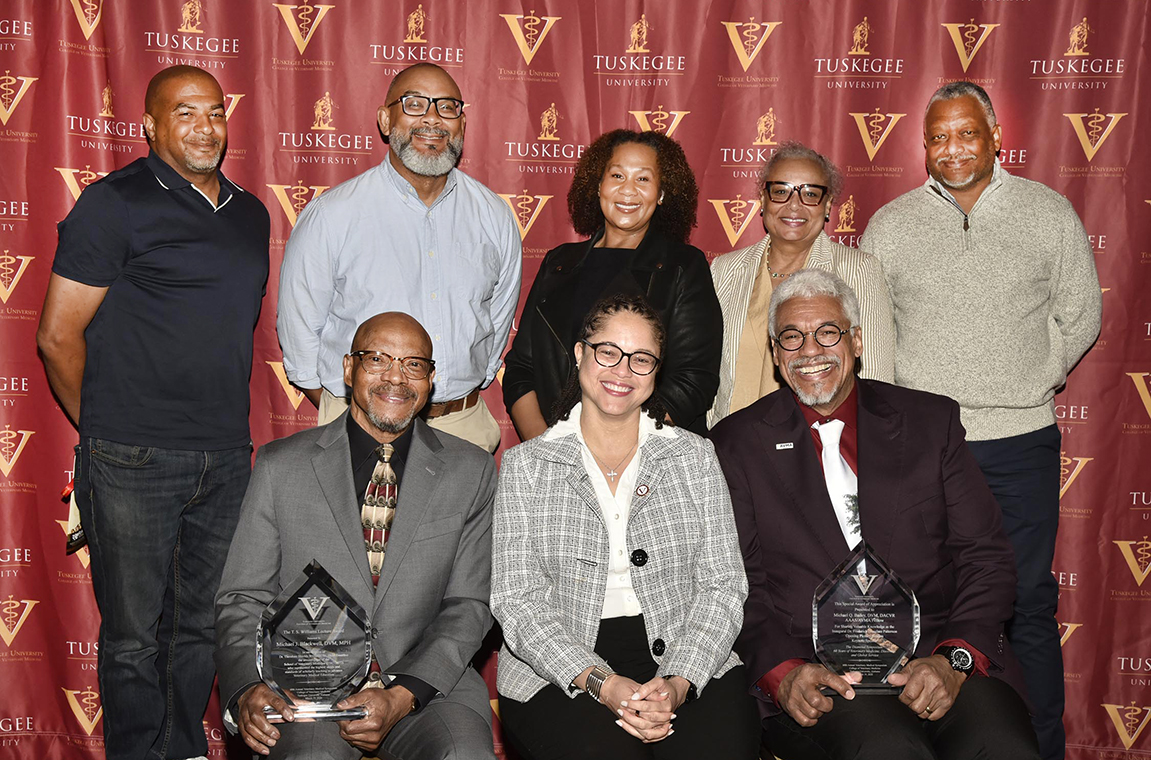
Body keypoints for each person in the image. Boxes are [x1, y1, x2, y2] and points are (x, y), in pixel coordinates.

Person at [860, 81, 1102, 760]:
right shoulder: (891, 224)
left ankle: (1041, 747)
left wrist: (1031, 376)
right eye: (938, 137)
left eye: (967, 133)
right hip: (921, 449)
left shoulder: (1046, 214)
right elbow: (873, 333)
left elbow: (1080, 312)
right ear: (924, 146)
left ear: (995, 136)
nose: (952, 148)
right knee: (915, 604)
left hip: (1018, 441)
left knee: (1025, 604)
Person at [36, 65, 269, 760]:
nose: (205, 125)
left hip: (225, 459)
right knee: (135, 637)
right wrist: (106, 429)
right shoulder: (114, 204)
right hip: (131, 457)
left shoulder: (250, 213)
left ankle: (182, 748)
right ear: (149, 125)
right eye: (185, 112)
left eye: (215, 112)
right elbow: (55, 336)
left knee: (199, 626)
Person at [710, 269, 1040, 760]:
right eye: (792, 337)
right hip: (818, 669)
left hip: (937, 653)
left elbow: (985, 558)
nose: (810, 351)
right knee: (888, 749)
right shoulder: (736, 444)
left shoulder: (930, 422)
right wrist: (784, 674)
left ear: (856, 340)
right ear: (776, 353)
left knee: (1002, 747)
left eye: (827, 332)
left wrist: (952, 660)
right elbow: (737, 583)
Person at [215, 312, 497, 760]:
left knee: (463, 753)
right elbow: (242, 597)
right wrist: (248, 686)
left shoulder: (472, 470)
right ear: (348, 369)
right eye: (378, 359)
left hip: (427, 684)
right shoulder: (280, 467)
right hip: (307, 685)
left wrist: (401, 695)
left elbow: (469, 604)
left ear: (431, 379)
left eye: (413, 365)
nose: (396, 377)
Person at [492, 294, 759, 760]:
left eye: (641, 360)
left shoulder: (694, 456)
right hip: (560, 664)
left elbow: (723, 586)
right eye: (607, 352)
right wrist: (602, 682)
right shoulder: (526, 466)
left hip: (688, 650)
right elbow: (517, 601)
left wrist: (678, 683)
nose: (622, 371)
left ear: (656, 372)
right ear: (580, 354)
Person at [277, 62, 521, 453]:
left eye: (447, 107)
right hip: (358, 429)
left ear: (462, 122)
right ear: (385, 120)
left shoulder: (494, 216)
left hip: (462, 431)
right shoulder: (334, 214)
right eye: (414, 104)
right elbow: (300, 335)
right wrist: (359, 417)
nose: (433, 119)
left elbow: (496, 324)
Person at [502, 129, 722, 439]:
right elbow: (521, 369)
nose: (628, 190)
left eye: (643, 179)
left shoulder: (682, 267)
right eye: (617, 175)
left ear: (661, 193)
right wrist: (547, 448)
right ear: (598, 185)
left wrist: (611, 450)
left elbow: (692, 381)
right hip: (551, 453)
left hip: (644, 458)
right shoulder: (558, 263)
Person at [708, 141, 894, 428]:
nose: (794, 205)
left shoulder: (858, 270)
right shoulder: (726, 269)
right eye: (781, 191)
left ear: (828, 204)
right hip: (732, 447)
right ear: (763, 198)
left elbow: (875, 377)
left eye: (810, 194)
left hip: (820, 450)